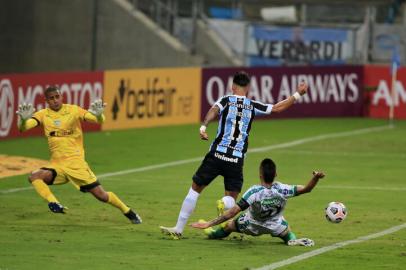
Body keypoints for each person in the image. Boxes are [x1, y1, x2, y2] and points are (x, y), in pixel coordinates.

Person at [160, 71, 308, 239]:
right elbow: (277, 108)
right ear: (248, 88)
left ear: (232, 86)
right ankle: (224, 205)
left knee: (195, 189)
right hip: (236, 159)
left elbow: (213, 110)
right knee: (231, 199)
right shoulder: (252, 105)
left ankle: (179, 229)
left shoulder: (226, 100)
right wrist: (298, 94)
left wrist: (203, 126)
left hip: (217, 154)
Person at [16, 86, 141, 224]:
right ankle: (54, 203)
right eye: (51, 98)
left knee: (102, 196)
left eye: (57, 97)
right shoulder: (42, 115)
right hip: (57, 165)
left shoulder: (73, 110)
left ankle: (128, 211)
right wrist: (22, 120)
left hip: (76, 164)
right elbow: (23, 128)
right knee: (34, 176)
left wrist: (99, 115)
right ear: (46, 101)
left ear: (61, 96)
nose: (55, 100)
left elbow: (96, 119)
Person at [191, 158, 325, 246]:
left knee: (229, 226)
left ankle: (213, 233)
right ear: (275, 174)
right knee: (287, 232)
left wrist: (209, 223)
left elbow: (232, 212)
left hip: (251, 224)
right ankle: (292, 240)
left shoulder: (254, 192)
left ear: (260, 175)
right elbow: (307, 189)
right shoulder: (283, 189)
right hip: (275, 225)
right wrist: (316, 178)